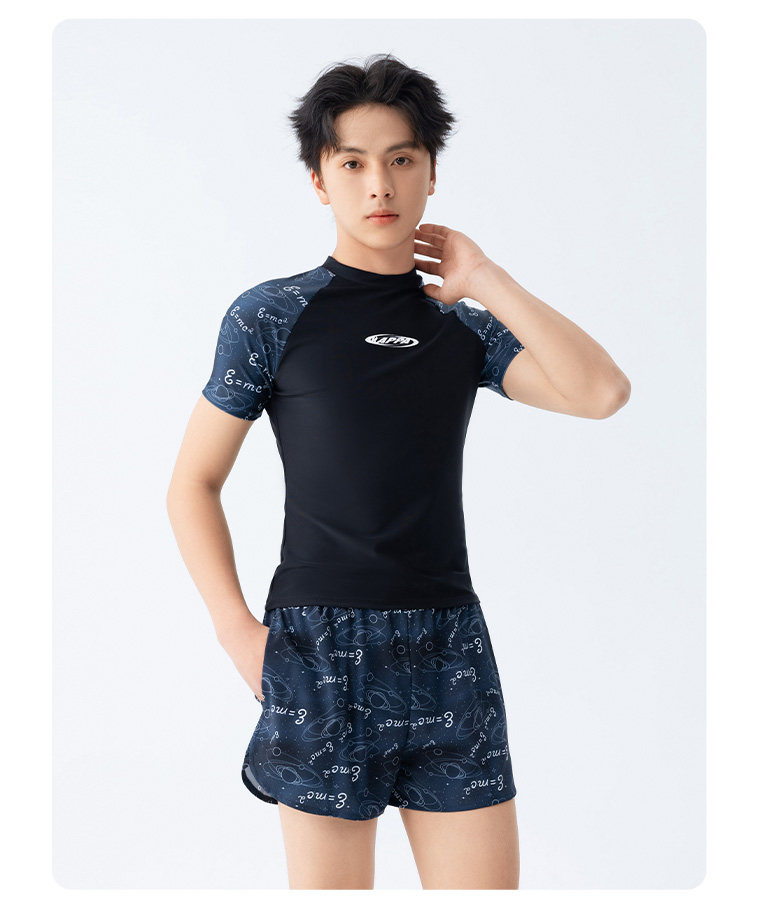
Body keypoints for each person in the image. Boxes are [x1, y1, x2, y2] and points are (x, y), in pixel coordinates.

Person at [166, 53, 630, 890]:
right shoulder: (272, 315)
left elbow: (601, 393)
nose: (379, 184)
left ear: (430, 172)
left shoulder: (462, 328)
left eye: (401, 158)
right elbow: (191, 484)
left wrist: (485, 279)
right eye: (352, 163)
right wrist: (238, 632)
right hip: (317, 647)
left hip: (449, 645)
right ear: (319, 181)